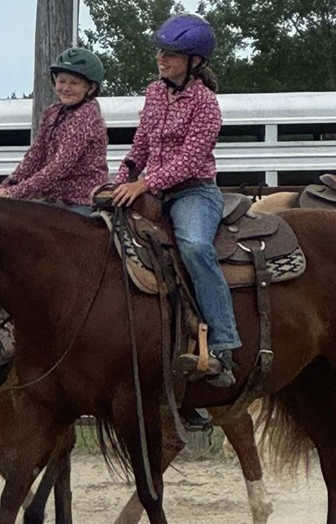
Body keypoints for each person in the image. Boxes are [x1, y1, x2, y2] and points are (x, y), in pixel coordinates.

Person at [111, 13, 239, 430]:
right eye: (161, 53)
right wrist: (124, 176)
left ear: (194, 61)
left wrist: (145, 183)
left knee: (196, 247)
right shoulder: (153, 92)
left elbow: (190, 160)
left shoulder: (206, 104)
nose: (162, 60)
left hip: (193, 191)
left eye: (171, 55)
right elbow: (142, 143)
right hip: (150, 189)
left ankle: (223, 342)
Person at [0, 47, 109, 215]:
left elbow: (60, 166)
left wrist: (14, 193)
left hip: (81, 201)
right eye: (62, 81)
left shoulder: (87, 116)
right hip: (53, 199)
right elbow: (36, 154)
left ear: (90, 88)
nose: (66, 88)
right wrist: (10, 182)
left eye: (74, 83)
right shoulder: (52, 112)